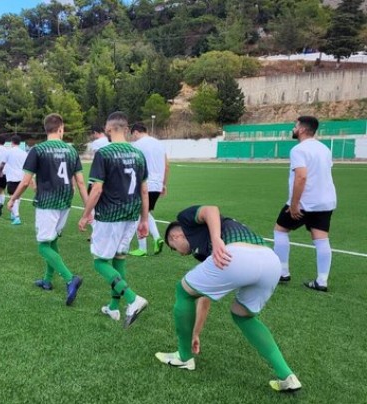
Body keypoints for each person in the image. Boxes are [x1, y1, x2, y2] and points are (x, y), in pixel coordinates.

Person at [156, 205, 302, 392]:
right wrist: (195, 333)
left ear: (175, 237)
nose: (180, 253)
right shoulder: (203, 250)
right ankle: (287, 376)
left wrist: (217, 239)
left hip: (236, 255)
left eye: (174, 249)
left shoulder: (185, 219)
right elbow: (204, 298)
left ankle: (184, 357)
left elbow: (211, 209)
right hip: (271, 262)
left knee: (182, 291)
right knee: (242, 315)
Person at [8, 113, 88, 306]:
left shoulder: (38, 150)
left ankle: (70, 278)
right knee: (52, 240)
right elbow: (80, 182)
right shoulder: (71, 151)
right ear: (61, 129)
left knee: (43, 245)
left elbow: (25, 182)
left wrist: (13, 198)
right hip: (65, 201)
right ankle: (47, 280)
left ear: (46, 129)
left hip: (47, 202)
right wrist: (88, 208)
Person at [78, 112, 150, 326]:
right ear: (126, 129)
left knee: (100, 262)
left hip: (110, 215)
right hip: (131, 214)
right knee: (119, 259)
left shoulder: (104, 153)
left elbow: (97, 189)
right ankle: (113, 307)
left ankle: (133, 299)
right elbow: (144, 190)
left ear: (108, 130)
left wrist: (85, 214)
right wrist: (144, 219)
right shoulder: (138, 154)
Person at [273, 116, 337, 292]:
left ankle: (282, 272)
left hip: (306, 202)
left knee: (280, 230)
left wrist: (294, 205)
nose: (293, 129)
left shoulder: (298, 150)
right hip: (326, 201)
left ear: (301, 129)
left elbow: (301, 177)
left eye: (295, 126)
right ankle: (322, 281)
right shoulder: (325, 149)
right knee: (321, 238)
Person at [128, 122, 169, 257]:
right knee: (145, 212)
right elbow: (166, 166)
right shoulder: (160, 144)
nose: (133, 138)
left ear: (135, 132)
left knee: (138, 214)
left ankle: (143, 248)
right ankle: (157, 238)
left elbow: (133, 165)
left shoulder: (137, 145)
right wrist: (163, 184)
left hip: (144, 184)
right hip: (157, 184)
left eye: (132, 135)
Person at [0, 135, 28, 225]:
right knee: (17, 196)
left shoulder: (8, 152)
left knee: (12, 196)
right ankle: (13, 214)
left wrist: (0, 172)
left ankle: (16, 216)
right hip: (21, 177)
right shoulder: (24, 153)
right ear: (19, 143)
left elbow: (2, 164)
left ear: (12, 142)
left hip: (11, 177)